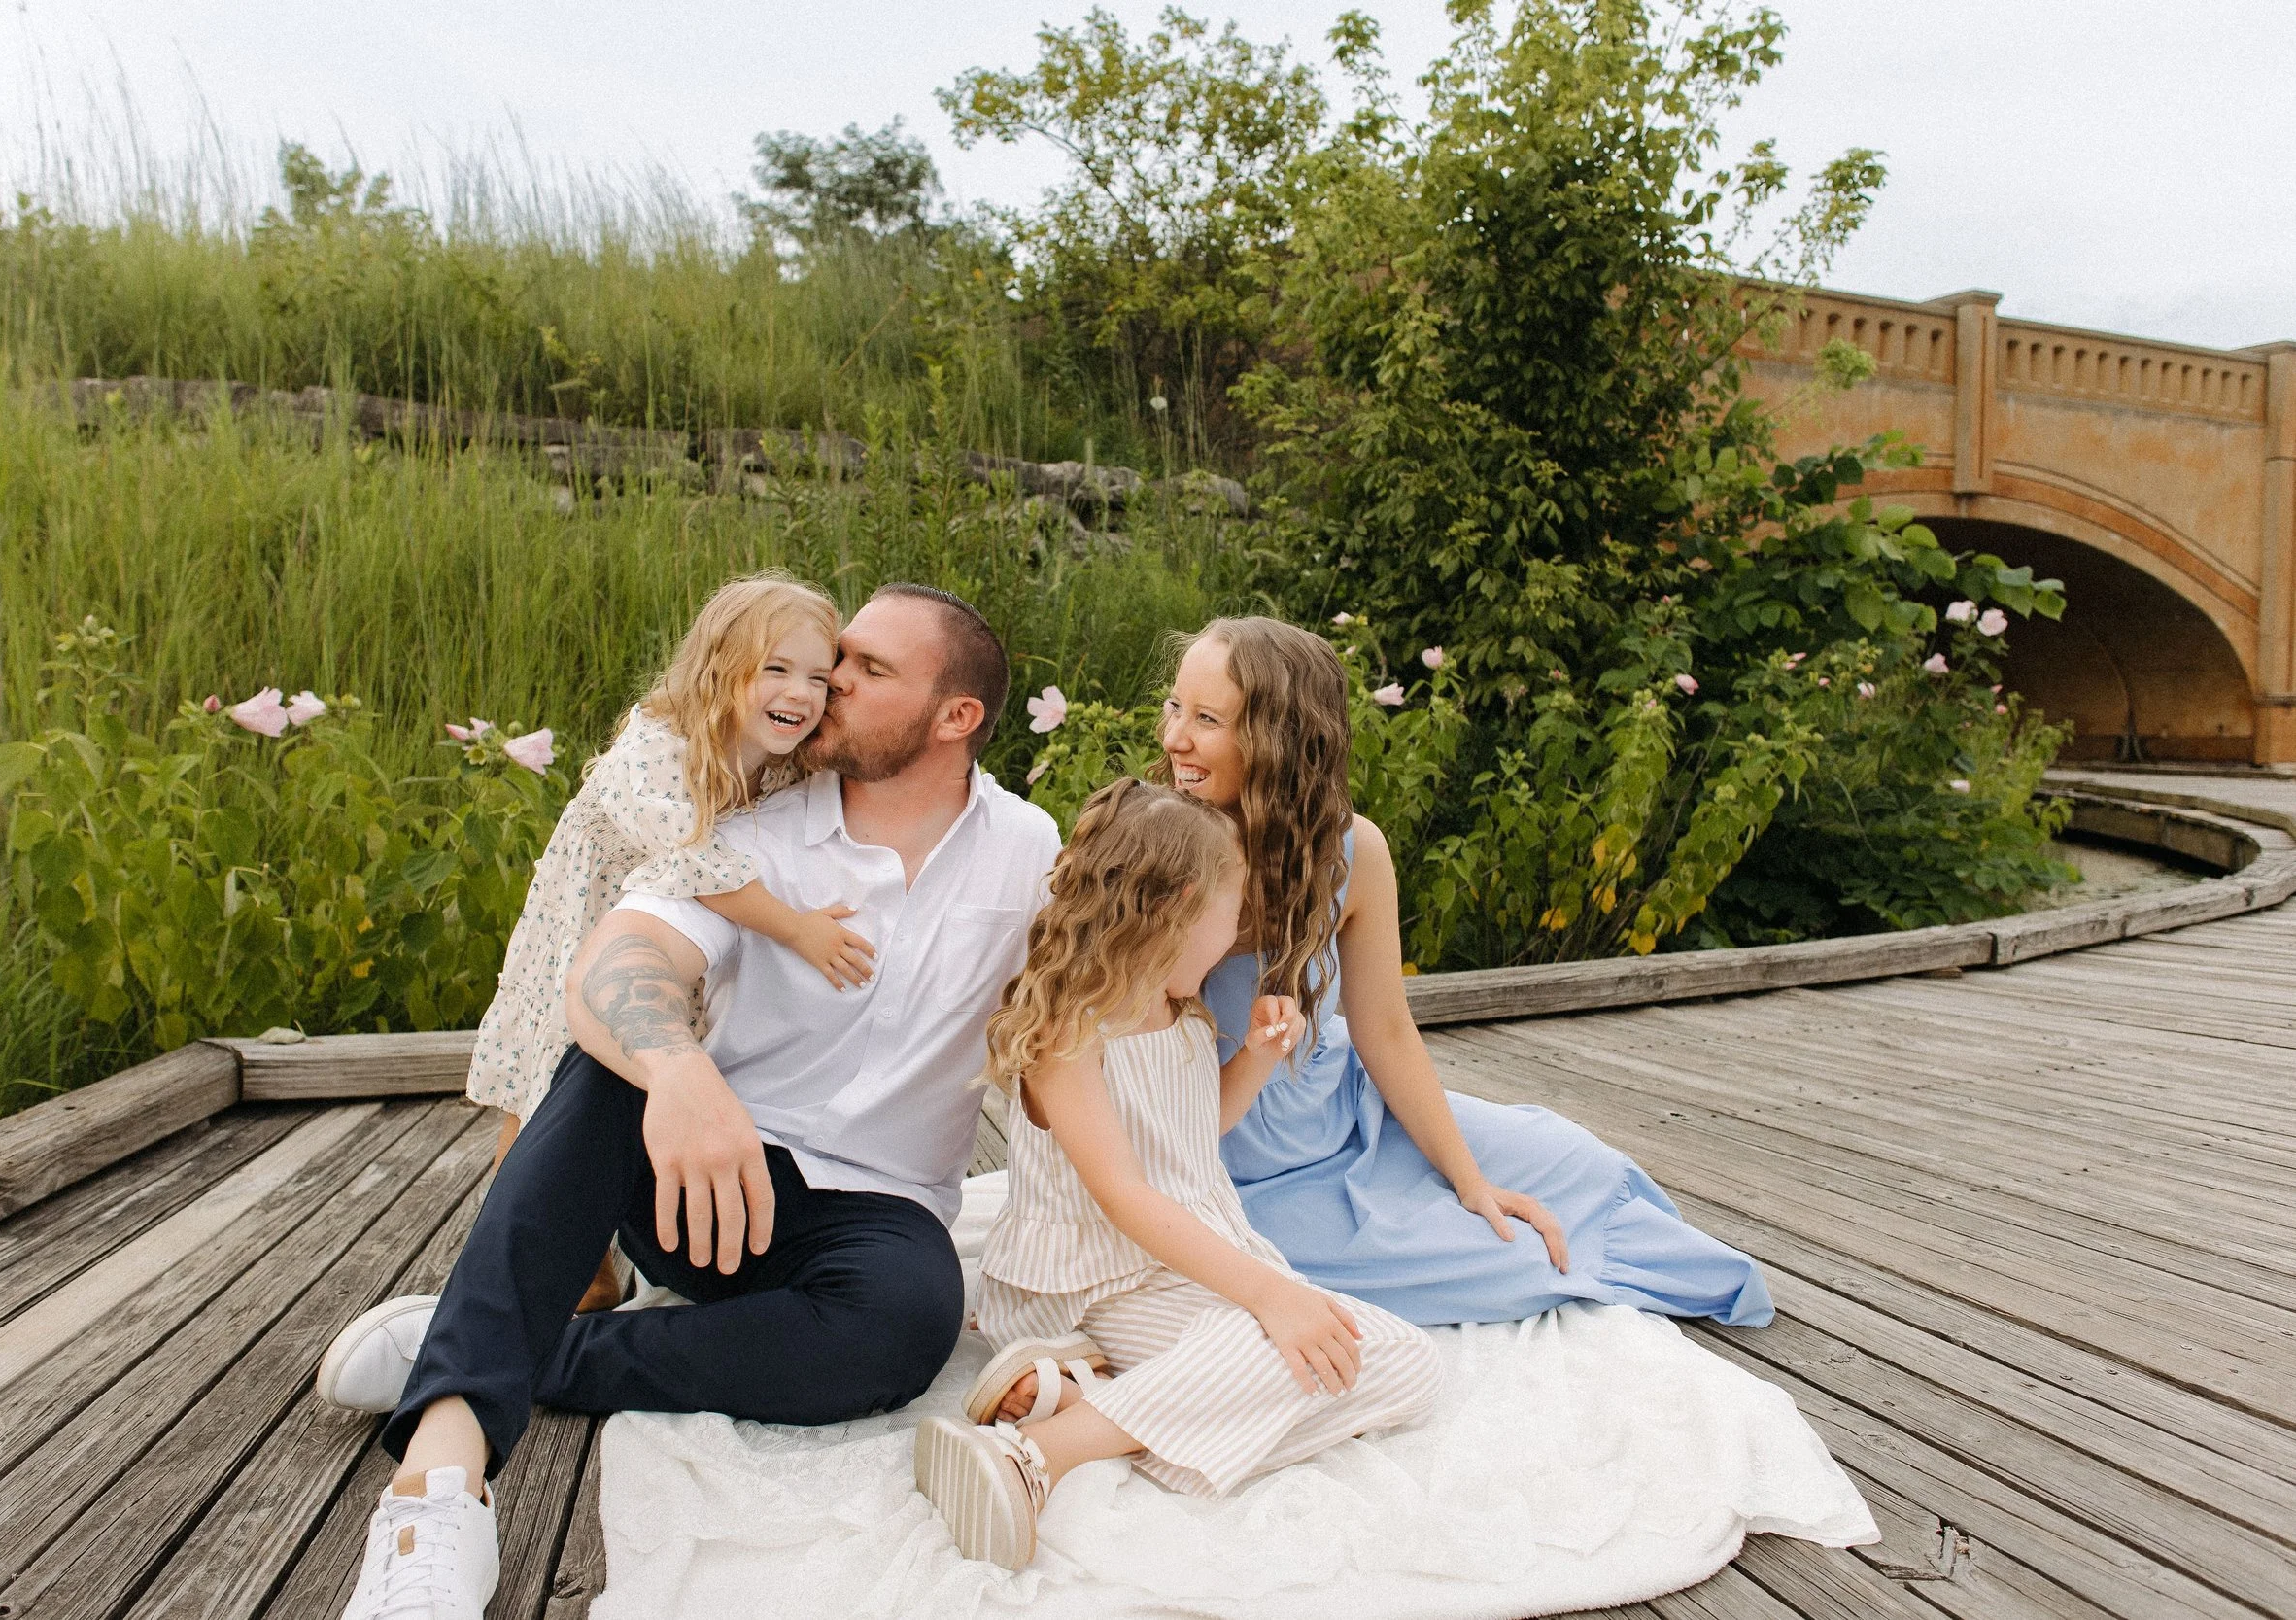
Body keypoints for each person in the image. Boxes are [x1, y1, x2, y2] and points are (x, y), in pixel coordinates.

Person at [314, 583, 1062, 1620]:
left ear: (956, 717)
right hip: (696, 1177)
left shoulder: (1030, 849)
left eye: (870, 669)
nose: (832, 679)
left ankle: (506, 1337)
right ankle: (437, 1485)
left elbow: (1091, 1005)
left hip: (871, 1212)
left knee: (907, 1324)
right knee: (611, 1058)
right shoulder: (755, 825)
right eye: (834, 656)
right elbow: (620, 957)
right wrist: (679, 1070)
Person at [1161, 616, 1774, 1327]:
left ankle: (1563, 1221)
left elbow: (1386, 1032)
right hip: (1240, 1167)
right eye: (1176, 707)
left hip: (1347, 1112)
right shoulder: (1158, 852)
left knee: (1577, 1163)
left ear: (1280, 739)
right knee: (1504, 1255)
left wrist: (1469, 1178)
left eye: (1207, 718)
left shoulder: (1354, 852)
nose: (1176, 737)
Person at [915, 778, 1440, 1570]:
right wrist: (1270, 1293)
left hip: (1182, 1266)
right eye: (1233, 916)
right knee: (1274, 1346)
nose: (1237, 938)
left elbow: (1196, 1134)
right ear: (1184, 905)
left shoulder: (1182, 1012)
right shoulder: (1071, 1027)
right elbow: (1125, 1195)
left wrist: (1257, 1058)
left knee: (1403, 1360)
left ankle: (1092, 1398)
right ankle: (1038, 1454)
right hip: (1096, 1277)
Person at [459, 572, 874, 1312]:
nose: (801, 692)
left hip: (669, 947)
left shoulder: (781, 765)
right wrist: (798, 928)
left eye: (819, 677)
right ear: (721, 668)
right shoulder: (659, 741)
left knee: (647, 1072)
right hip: (588, 924)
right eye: (776, 669)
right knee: (546, 1070)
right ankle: (529, 1256)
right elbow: (694, 862)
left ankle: (614, 1234)